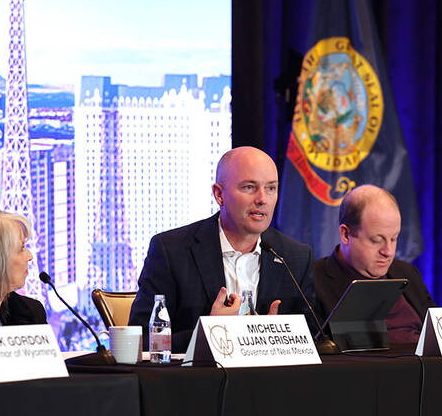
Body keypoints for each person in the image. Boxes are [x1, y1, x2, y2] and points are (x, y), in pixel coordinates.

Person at [128, 146, 317, 352]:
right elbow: (141, 341)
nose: (262, 199)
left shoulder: (295, 257)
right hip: (200, 372)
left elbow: (316, 340)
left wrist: (278, 337)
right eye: (249, 187)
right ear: (219, 194)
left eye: (271, 188)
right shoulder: (171, 251)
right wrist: (208, 332)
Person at [313, 184, 433, 343]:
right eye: (377, 240)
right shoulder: (314, 281)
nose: (388, 251)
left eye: (394, 239)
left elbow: (440, 335)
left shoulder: (407, 273)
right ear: (346, 235)